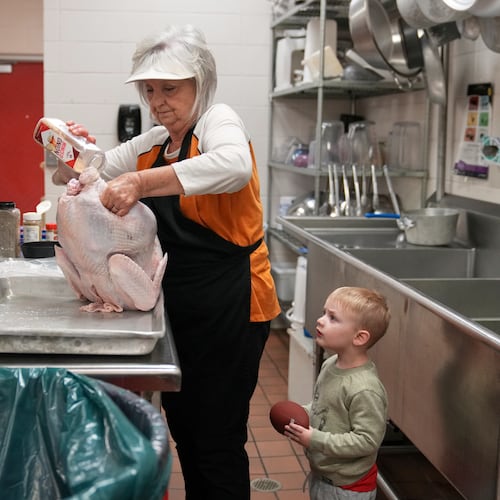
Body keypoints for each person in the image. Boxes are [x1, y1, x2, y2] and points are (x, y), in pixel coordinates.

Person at [54, 25, 280, 500]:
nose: (157, 101)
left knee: (216, 441)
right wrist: (65, 150)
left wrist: (141, 184)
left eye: (170, 89)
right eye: (149, 90)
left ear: (200, 82)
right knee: (188, 433)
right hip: (180, 308)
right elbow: (88, 169)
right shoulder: (155, 142)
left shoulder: (220, 121)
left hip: (233, 306)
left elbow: (234, 165)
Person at [284, 286, 390, 500]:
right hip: (323, 474)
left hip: (347, 488)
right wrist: (303, 413)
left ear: (359, 337)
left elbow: (367, 440)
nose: (321, 320)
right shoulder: (331, 364)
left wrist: (315, 439)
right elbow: (324, 406)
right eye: (324, 313)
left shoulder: (364, 388)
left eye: (333, 318)